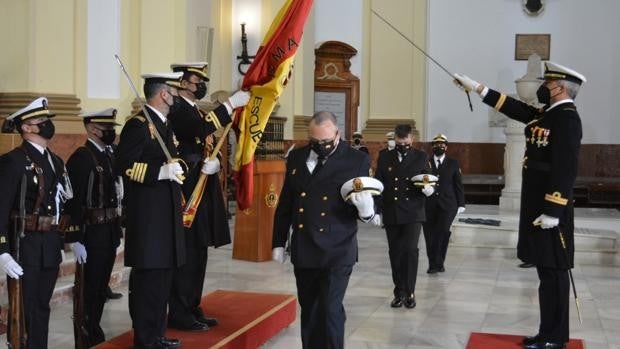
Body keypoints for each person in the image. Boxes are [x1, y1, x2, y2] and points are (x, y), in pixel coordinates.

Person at [454, 61, 585, 349]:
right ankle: (548, 332)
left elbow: (565, 168)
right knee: (545, 272)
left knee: (553, 273)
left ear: (560, 88)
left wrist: (553, 210)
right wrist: (477, 88)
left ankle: (555, 337)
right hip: (538, 206)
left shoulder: (566, 118)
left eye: (548, 84)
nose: (543, 87)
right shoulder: (549, 114)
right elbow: (517, 109)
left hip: (551, 211)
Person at [272, 111, 378, 349]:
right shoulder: (297, 157)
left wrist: (366, 211)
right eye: (315, 142)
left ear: (338, 134)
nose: (321, 146)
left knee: (330, 311)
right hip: (305, 247)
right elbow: (286, 203)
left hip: (337, 248)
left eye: (327, 142)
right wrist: (278, 241)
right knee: (309, 310)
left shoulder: (355, 160)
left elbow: (369, 201)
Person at [167, 62, 250, 332]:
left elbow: (205, 139)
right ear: (182, 83)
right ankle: (179, 311)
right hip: (187, 192)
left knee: (198, 253)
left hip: (200, 187)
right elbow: (198, 130)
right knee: (188, 254)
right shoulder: (177, 108)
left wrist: (215, 165)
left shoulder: (192, 108)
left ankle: (192, 306)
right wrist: (230, 105)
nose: (200, 85)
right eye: (195, 81)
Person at [115, 72, 185, 349]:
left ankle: (157, 333)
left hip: (166, 214)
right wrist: (160, 172)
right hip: (148, 219)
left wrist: (178, 167)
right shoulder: (139, 125)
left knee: (163, 280)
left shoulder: (164, 125)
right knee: (148, 281)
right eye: (174, 92)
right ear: (164, 94)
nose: (176, 97)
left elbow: (176, 156)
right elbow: (123, 164)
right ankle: (145, 339)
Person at [0, 97, 74, 348]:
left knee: (42, 307)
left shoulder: (55, 161)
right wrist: (2, 251)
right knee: (25, 309)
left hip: (49, 244)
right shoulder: (14, 160)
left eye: (46, 120)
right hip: (26, 245)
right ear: (26, 128)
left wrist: (70, 238)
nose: (46, 125)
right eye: (40, 121)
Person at [64, 108, 123, 346]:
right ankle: (85, 334)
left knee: (101, 287)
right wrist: (75, 237)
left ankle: (95, 329)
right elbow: (73, 200)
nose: (109, 131)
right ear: (90, 128)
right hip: (92, 231)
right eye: (104, 127)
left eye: (111, 127)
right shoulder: (82, 156)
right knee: (89, 288)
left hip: (108, 229)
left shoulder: (110, 154)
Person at [373, 124, 432, 309]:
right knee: (395, 253)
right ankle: (398, 291)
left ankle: (410, 292)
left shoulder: (421, 156)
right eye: (399, 140)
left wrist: (429, 189)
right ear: (395, 140)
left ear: (411, 139)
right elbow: (379, 184)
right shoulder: (385, 156)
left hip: (414, 211)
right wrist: (377, 210)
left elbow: (428, 178)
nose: (402, 143)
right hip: (392, 211)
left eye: (405, 140)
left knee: (410, 251)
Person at [422, 134, 465, 274]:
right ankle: (433, 263)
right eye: (435, 145)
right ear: (432, 147)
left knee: (442, 233)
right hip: (428, 204)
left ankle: (438, 262)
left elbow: (458, 184)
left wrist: (461, 204)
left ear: (446, 147)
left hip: (448, 205)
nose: (438, 147)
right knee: (429, 235)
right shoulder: (425, 162)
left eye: (441, 145)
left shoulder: (453, 163)